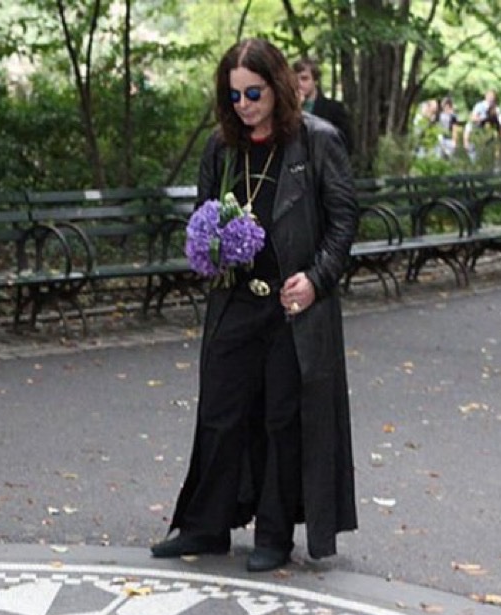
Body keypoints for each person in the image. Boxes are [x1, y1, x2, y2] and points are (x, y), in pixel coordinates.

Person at [152, 38, 359, 572]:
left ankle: (273, 534)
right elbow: (202, 215)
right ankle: (205, 526)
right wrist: (205, 250)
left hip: (292, 310)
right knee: (220, 415)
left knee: (280, 420)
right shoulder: (222, 149)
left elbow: (343, 221)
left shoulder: (317, 141)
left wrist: (315, 279)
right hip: (235, 302)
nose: (244, 105)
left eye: (253, 92)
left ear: (279, 86)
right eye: (234, 95)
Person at [292, 56, 354, 153]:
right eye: (295, 79)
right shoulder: (288, 109)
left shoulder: (334, 109)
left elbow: (346, 143)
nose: (299, 83)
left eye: (304, 79)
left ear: (315, 80)